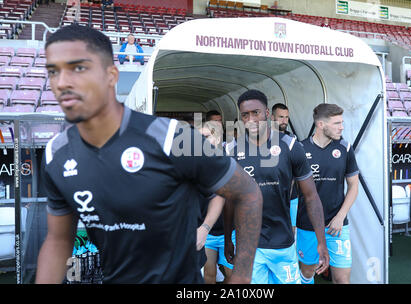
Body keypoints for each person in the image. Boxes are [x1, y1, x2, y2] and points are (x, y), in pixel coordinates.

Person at [35, 24, 263, 284]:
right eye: (53, 71)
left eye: (78, 68)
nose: (62, 82)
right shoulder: (56, 155)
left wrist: (242, 277)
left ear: (111, 75)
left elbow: (248, 192)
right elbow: (58, 239)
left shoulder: (172, 138)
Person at [224, 89, 329, 284]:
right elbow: (231, 200)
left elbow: (311, 196)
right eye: (245, 115)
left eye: (256, 112)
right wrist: (228, 238)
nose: (251, 119)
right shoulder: (232, 150)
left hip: (282, 243)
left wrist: (321, 242)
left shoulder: (290, 146)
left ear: (267, 114)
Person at [296, 103, 359, 284]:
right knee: (308, 272)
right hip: (307, 224)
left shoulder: (345, 148)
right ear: (321, 125)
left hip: (336, 226)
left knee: (342, 279)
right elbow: (291, 190)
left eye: (342, 122)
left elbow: (354, 186)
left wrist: (341, 216)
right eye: (337, 123)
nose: (342, 127)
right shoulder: (300, 149)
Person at [198, 119, 236, 284]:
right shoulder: (194, 164)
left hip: (231, 231)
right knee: (209, 274)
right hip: (207, 231)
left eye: (206, 136)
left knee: (233, 275)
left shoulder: (231, 163)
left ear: (218, 138)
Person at [271, 103, 298, 233]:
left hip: (291, 197)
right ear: (271, 117)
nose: (284, 121)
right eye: (280, 117)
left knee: (291, 232)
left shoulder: (292, 140)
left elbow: (296, 170)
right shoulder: (263, 139)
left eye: (286, 117)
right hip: (271, 196)